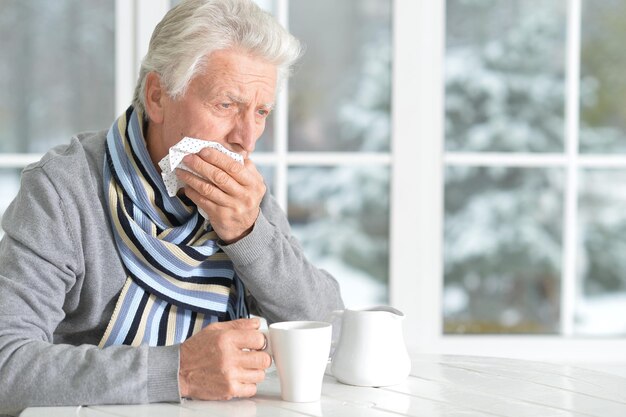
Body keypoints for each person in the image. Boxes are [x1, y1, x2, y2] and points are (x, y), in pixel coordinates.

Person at [0, 0, 344, 414]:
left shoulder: (240, 195)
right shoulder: (64, 190)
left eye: (261, 112)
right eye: (226, 105)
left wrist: (249, 235)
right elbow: (7, 366)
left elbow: (331, 328)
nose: (246, 139)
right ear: (158, 96)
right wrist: (177, 370)